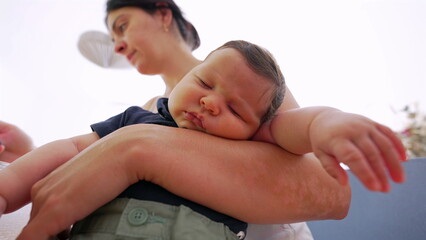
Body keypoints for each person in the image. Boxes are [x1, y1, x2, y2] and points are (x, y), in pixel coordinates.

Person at [0, 0, 403, 239]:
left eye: (122, 26)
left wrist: (326, 124)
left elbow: (320, 179)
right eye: (112, 37)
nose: (118, 44)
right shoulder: (146, 113)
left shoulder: (248, 80)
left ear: (162, 14)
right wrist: (25, 160)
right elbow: (81, 157)